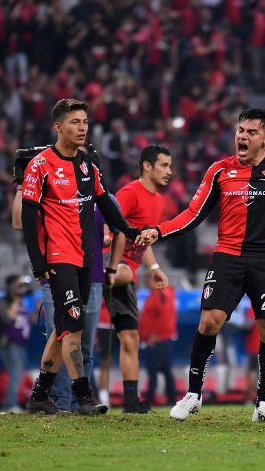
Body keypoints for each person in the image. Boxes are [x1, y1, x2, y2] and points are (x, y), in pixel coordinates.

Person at [140, 108, 265, 423]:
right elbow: (193, 213)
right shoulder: (219, 171)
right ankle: (193, 395)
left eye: (251, 132)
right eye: (241, 130)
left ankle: (263, 405)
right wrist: (160, 230)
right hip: (227, 254)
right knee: (210, 320)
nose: (243, 136)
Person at [20, 98, 144, 415]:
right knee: (74, 330)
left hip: (86, 261)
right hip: (58, 258)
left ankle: (39, 395)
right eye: (75, 122)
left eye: (85, 122)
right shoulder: (40, 165)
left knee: (64, 329)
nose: (83, 128)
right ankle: (83, 397)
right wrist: (39, 263)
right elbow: (29, 216)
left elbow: (106, 205)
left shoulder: (88, 166)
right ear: (58, 126)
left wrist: (130, 232)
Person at [11, 146, 104, 412]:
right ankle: (77, 400)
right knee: (71, 331)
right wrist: (22, 183)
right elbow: (20, 221)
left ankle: (42, 395)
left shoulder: (89, 185)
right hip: (59, 268)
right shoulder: (49, 185)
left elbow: (106, 225)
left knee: (71, 335)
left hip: (92, 273)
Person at [103, 144, 172, 413]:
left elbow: (145, 241)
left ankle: (131, 402)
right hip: (110, 263)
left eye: (170, 166)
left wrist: (154, 268)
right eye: (164, 165)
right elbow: (108, 221)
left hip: (126, 274)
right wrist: (107, 235)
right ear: (147, 166)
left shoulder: (159, 201)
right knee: (125, 272)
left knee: (131, 337)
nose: (169, 171)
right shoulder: (130, 193)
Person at [0, 275, 36, 413]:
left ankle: (11, 403)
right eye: (18, 285)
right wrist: (16, 299)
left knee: (18, 373)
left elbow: (30, 321)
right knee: (15, 373)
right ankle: (9, 404)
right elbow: (7, 318)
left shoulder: (23, 302)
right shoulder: (4, 301)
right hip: (8, 343)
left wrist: (36, 308)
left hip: (20, 343)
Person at [139, 271, 178, 407]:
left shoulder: (161, 294)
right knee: (166, 370)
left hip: (159, 339)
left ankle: (149, 399)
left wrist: (154, 335)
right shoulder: (158, 294)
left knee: (153, 370)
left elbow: (165, 317)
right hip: (161, 338)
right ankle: (171, 398)